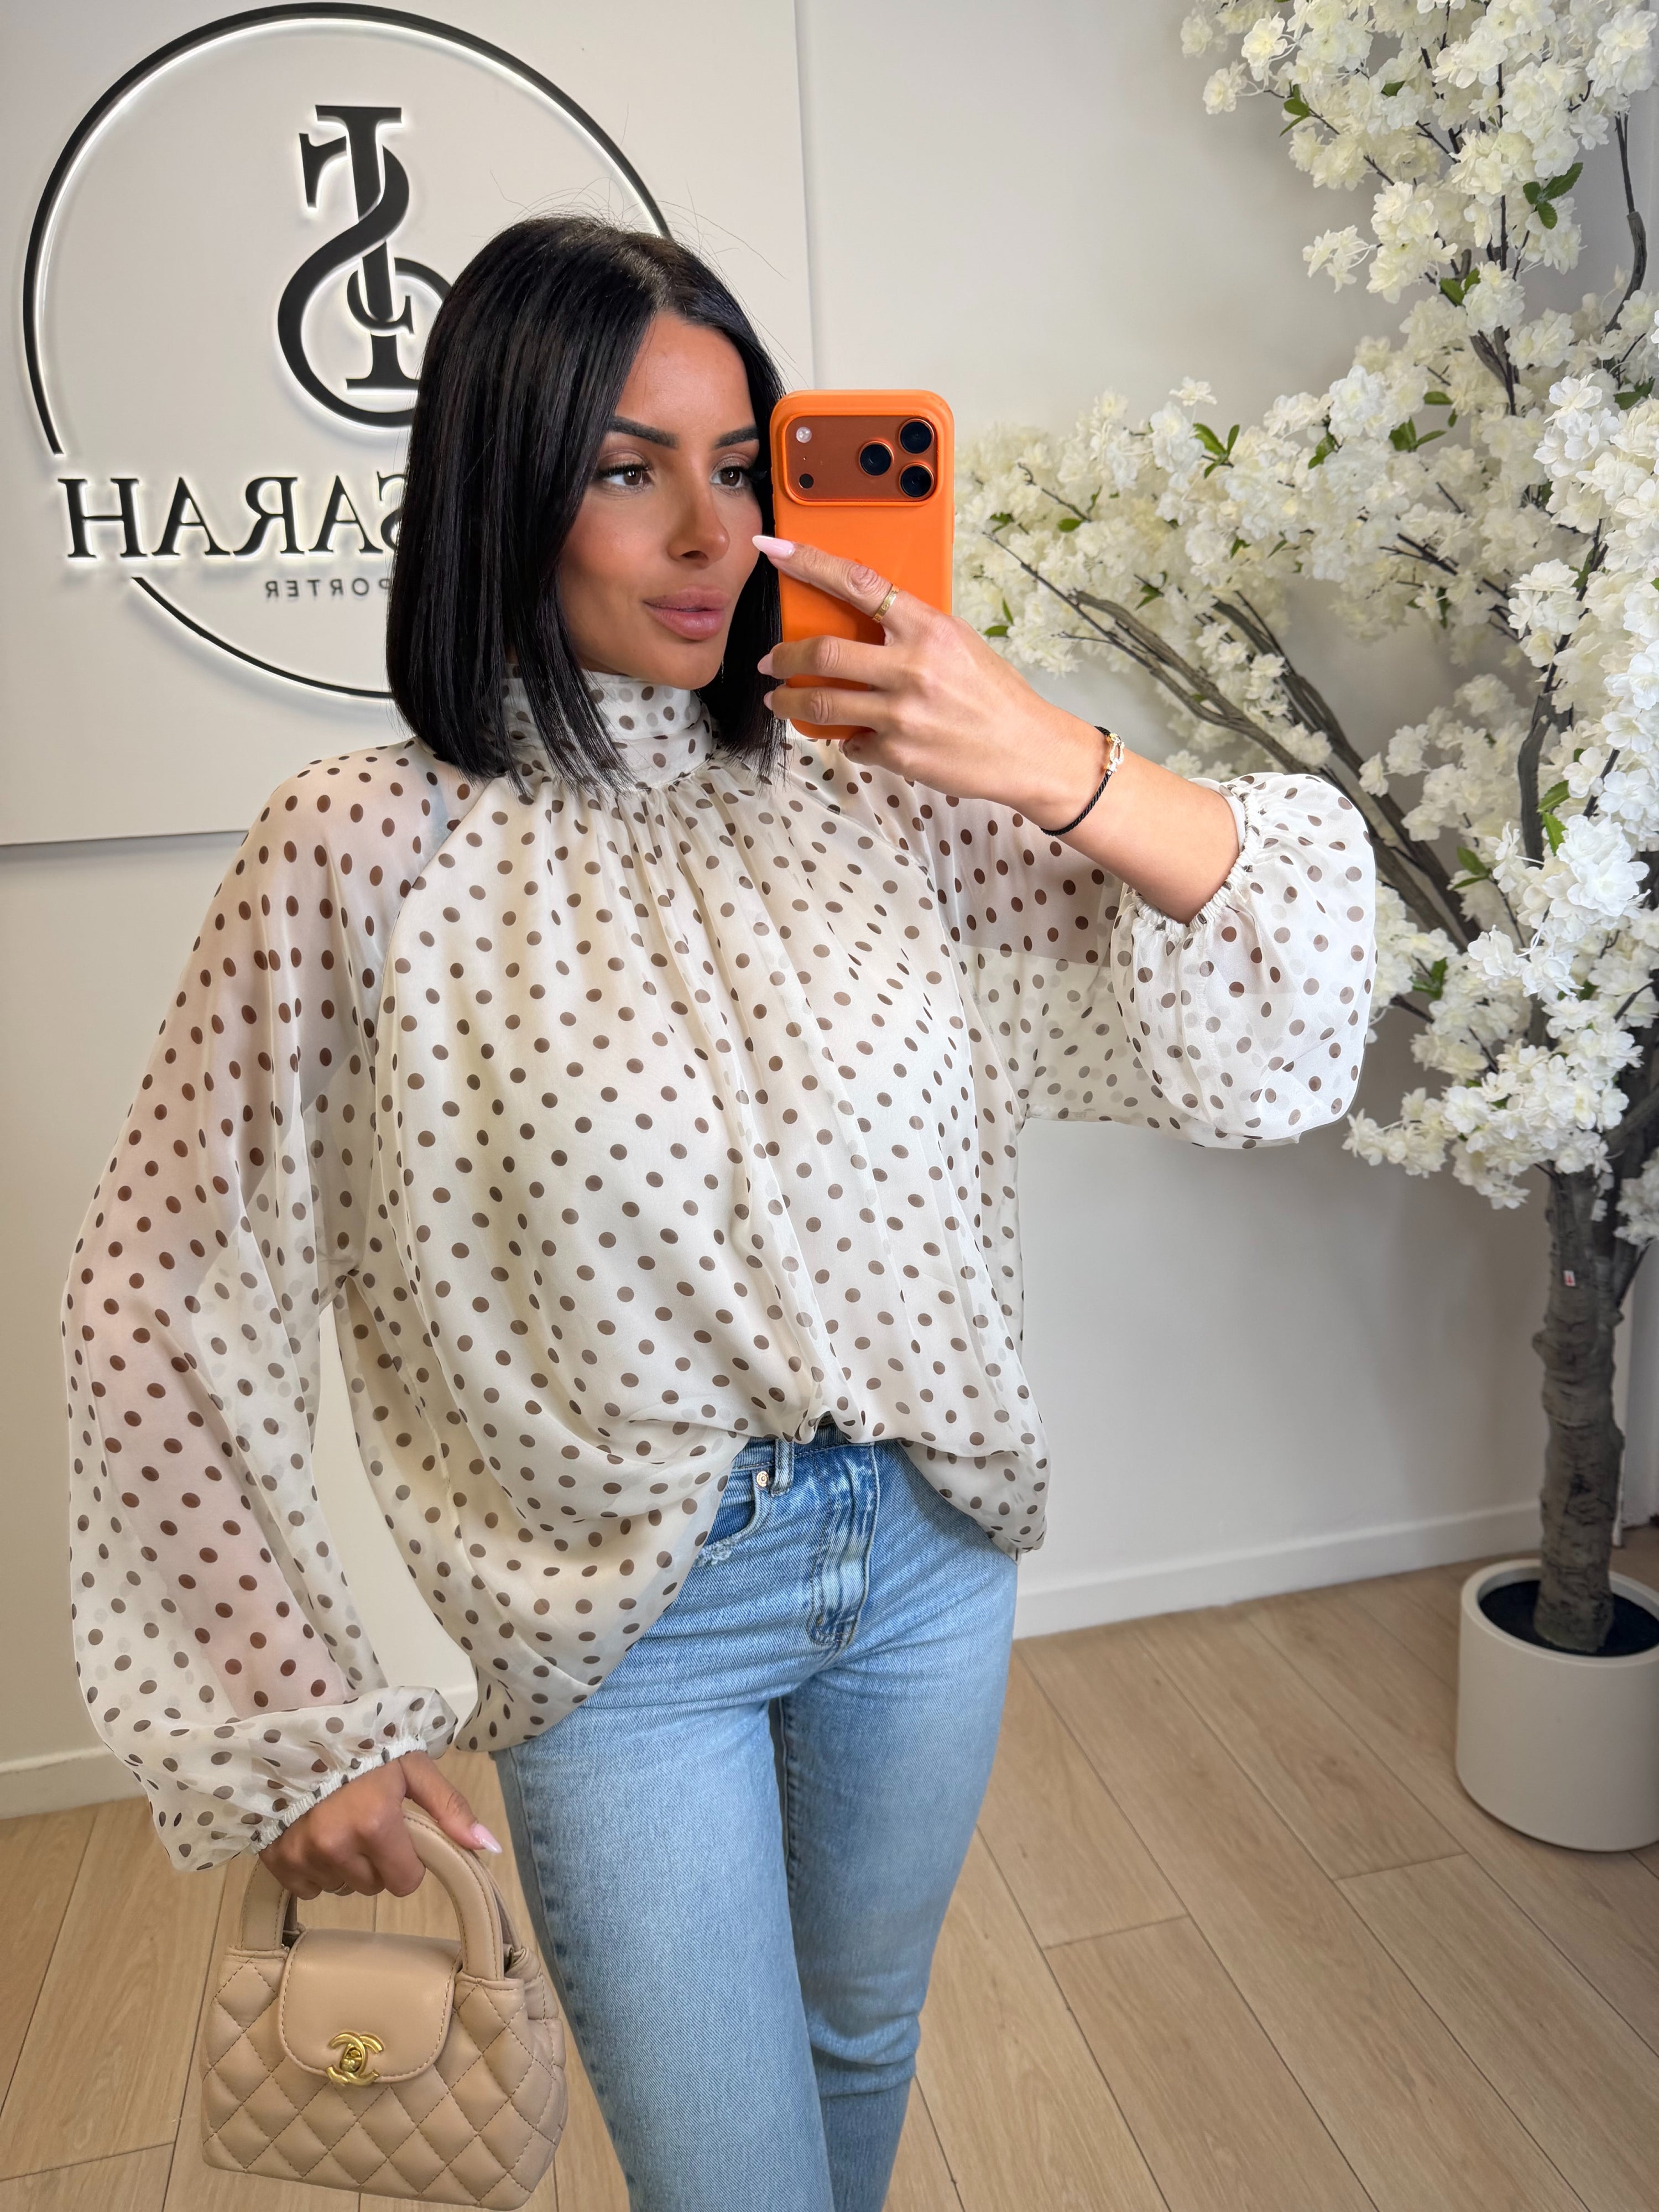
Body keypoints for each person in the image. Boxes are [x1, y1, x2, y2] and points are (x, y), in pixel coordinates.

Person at [64, 217, 1376, 2212]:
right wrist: (292, 1716)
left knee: (862, 2040)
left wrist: (1041, 749)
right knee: (727, 2176)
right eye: (626, 468)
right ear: (504, 489)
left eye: (743, 463)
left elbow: (1283, 979)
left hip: (929, 1551)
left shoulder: (886, 793)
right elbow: (160, 1287)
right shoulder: (362, 846)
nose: (711, 530)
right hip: (626, 1622)